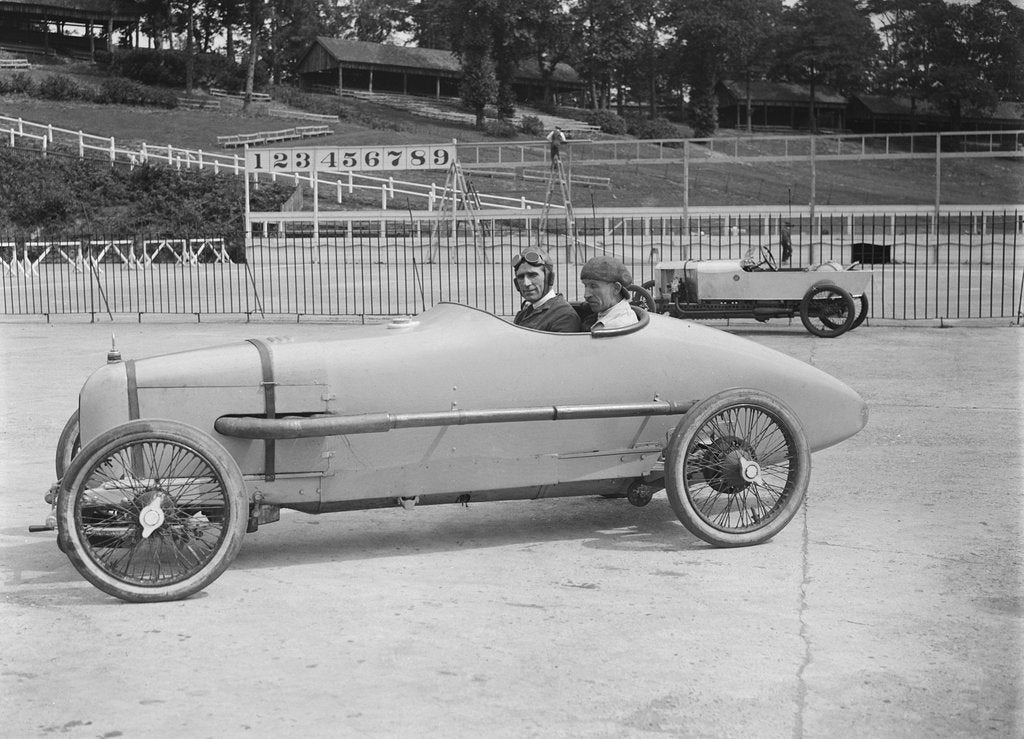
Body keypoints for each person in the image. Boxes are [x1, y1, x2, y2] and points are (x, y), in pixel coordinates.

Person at [512, 248, 582, 333]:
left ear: (549, 278)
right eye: (520, 277)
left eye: (532, 275)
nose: (526, 283)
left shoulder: (564, 316)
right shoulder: (527, 309)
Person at [579, 255, 639, 331]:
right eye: (585, 285)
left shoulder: (616, 326)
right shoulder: (604, 313)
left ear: (616, 288)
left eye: (593, 286)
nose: (586, 295)